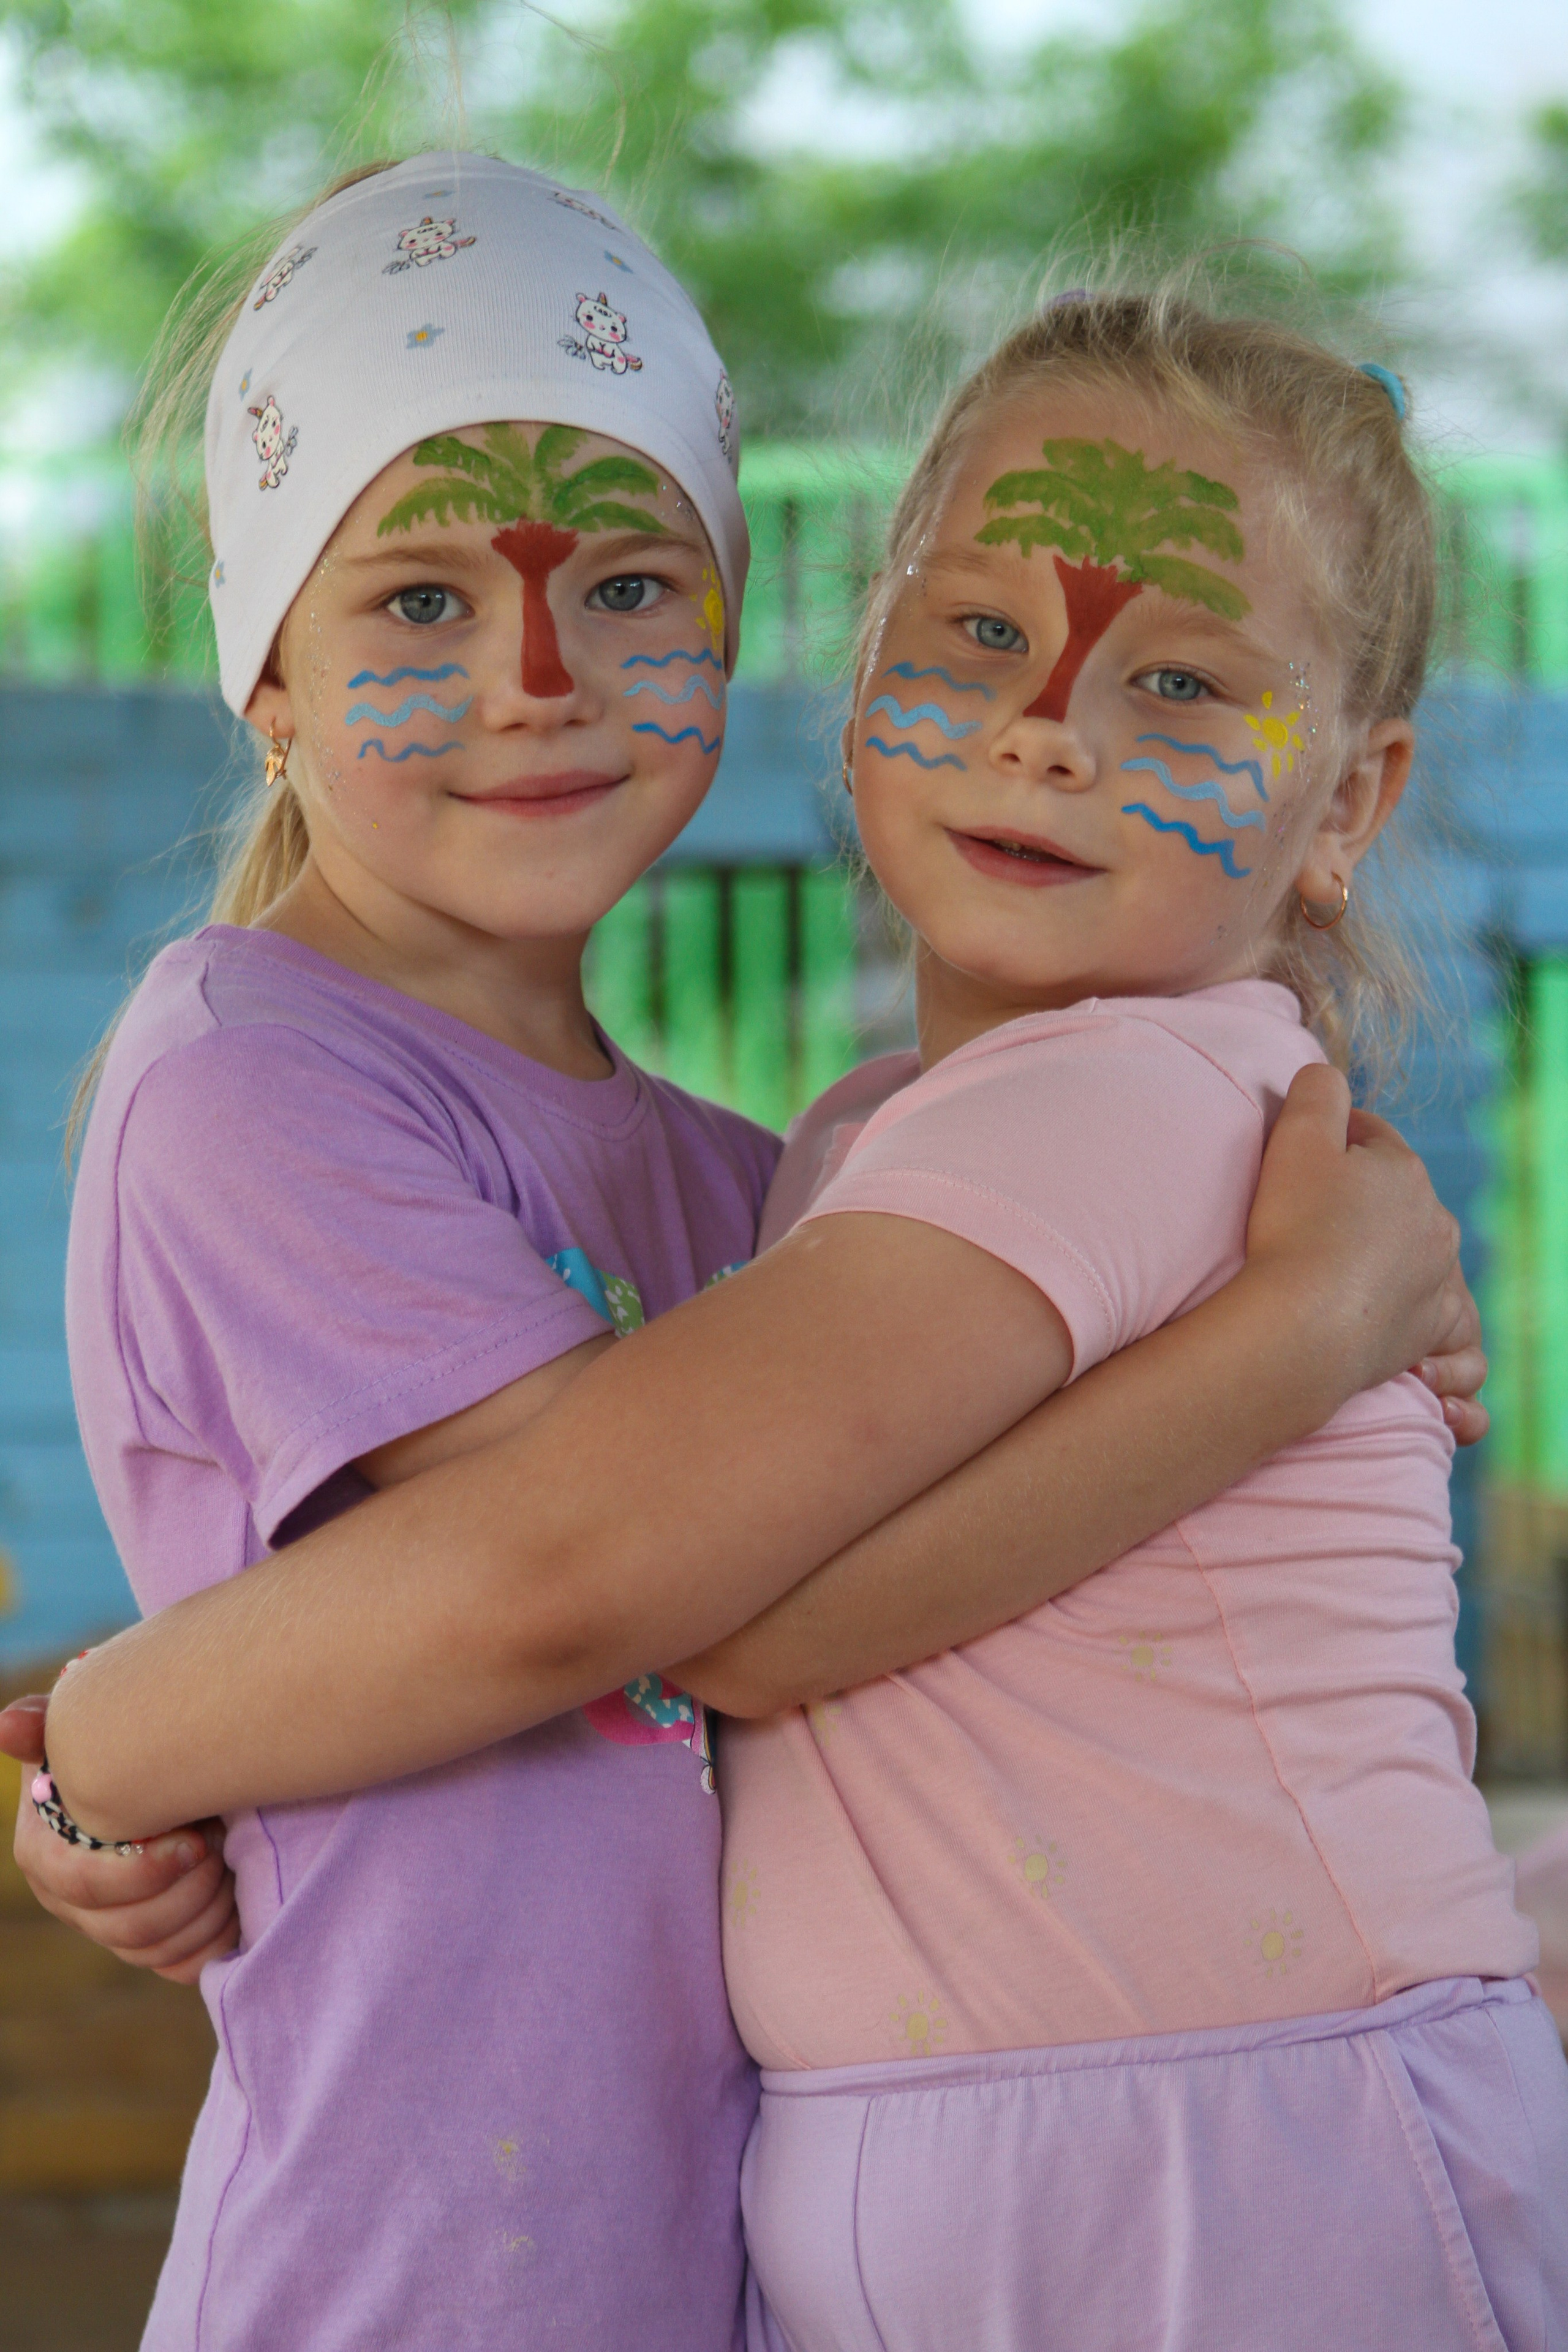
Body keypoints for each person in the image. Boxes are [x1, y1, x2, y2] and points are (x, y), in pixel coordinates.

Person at [10, 228, 1490, 2352]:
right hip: (427, 2270)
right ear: (264, 671)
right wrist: (1302, 1334)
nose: (539, 672)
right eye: (423, 600)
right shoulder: (259, 1064)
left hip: (742, 2245)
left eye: (630, 585)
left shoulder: (773, 1192)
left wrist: (120, 1745)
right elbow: (597, 1583)